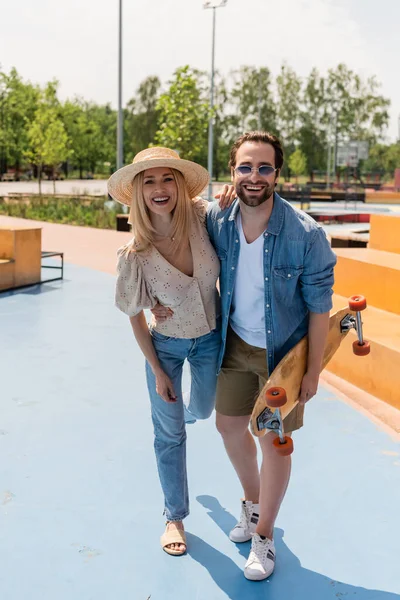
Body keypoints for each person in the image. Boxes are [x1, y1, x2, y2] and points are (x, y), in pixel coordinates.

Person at [206, 131, 337, 581]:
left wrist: (313, 371)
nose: (254, 176)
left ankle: (264, 535)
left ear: (277, 173)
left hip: (282, 353)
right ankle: (252, 502)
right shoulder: (218, 219)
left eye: (264, 167)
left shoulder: (306, 234)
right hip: (235, 342)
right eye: (245, 167)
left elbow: (320, 307)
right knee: (227, 426)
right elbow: (173, 222)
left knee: (272, 441)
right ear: (233, 172)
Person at [108, 147, 234, 557]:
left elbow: (234, 214)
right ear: (139, 192)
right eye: (149, 181)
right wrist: (159, 372)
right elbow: (134, 316)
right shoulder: (135, 254)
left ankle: (190, 415)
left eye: (167, 179)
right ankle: (174, 516)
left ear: (179, 186)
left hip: (210, 338)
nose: (159, 188)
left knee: (204, 408)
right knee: (169, 434)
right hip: (164, 346)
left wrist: (232, 197)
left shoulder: (203, 218)